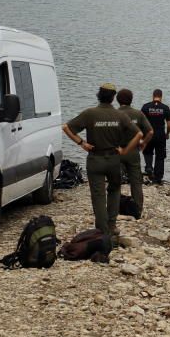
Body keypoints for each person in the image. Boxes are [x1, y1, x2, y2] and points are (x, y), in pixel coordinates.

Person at [62, 83, 142, 239]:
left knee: (98, 195)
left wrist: (81, 143)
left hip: (95, 159)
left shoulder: (90, 113)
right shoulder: (120, 116)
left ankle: (102, 229)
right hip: (113, 159)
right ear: (113, 98)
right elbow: (139, 134)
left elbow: (66, 127)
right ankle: (112, 225)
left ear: (99, 95)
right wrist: (125, 150)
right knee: (114, 191)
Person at [116, 88, 153, 213]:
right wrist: (143, 143)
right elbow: (150, 131)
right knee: (136, 181)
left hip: (118, 151)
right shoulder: (138, 114)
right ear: (131, 100)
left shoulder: (114, 114)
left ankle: (115, 207)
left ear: (117, 100)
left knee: (116, 180)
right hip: (133, 152)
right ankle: (138, 209)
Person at [141, 89, 170, 184]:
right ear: (161, 96)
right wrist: (167, 134)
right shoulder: (165, 108)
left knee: (147, 152)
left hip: (148, 134)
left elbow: (140, 122)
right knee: (160, 156)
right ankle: (158, 177)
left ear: (153, 96)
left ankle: (149, 168)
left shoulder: (145, 107)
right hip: (160, 135)